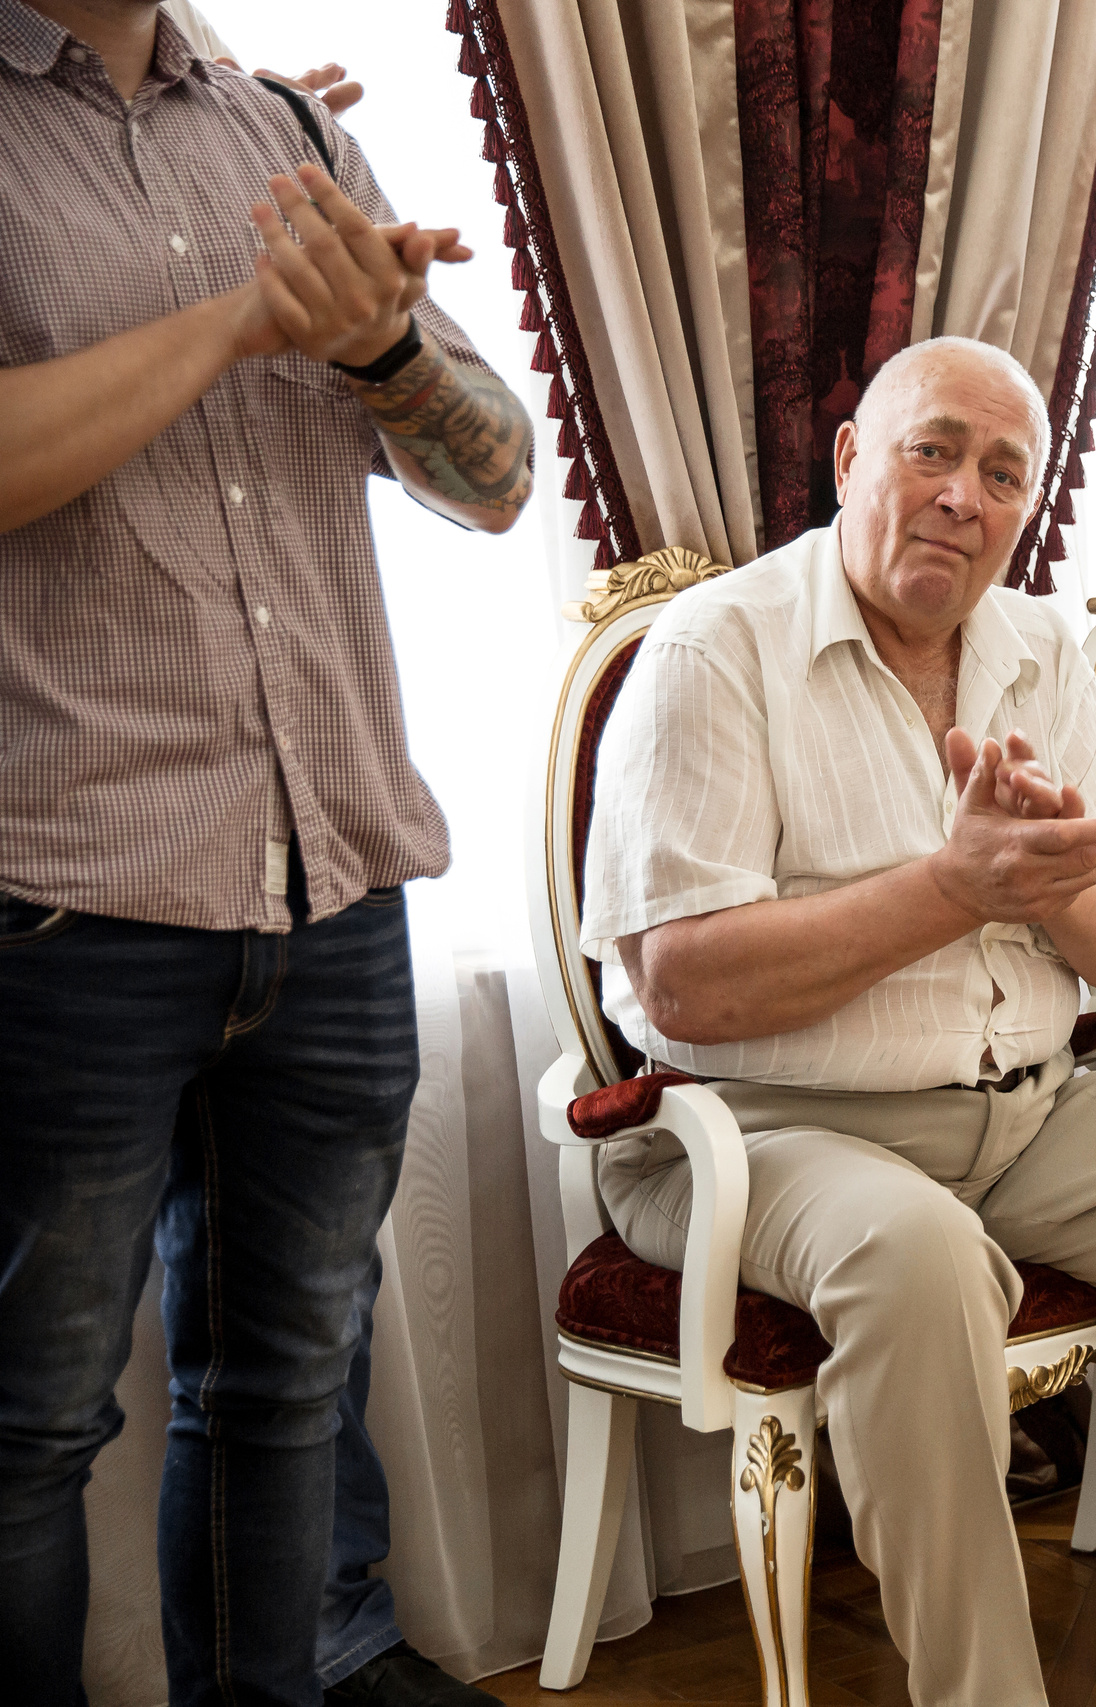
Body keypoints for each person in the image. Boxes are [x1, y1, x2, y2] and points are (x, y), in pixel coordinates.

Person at [585, 336, 1096, 1707]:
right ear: (848, 460)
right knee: (919, 1253)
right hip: (767, 1131)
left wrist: (1052, 886)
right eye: (932, 450)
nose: (963, 494)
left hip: (1031, 1111)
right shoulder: (717, 646)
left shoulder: (1039, 647)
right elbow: (687, 985)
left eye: (1004, 473)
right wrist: (954, 888)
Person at [0, 1, 537, 1702]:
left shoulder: (290, 136)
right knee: (25, 1426)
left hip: (333, 880)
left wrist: (381, 351)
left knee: (287, 1392)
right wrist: (240, 320)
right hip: (61, 895)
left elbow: (499, 480)